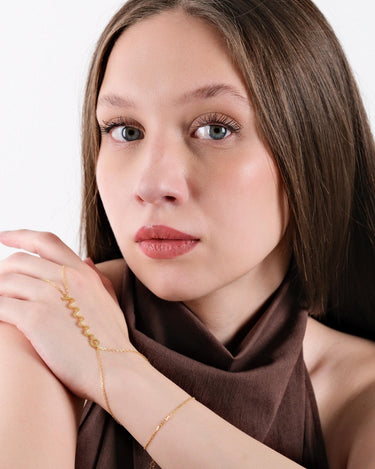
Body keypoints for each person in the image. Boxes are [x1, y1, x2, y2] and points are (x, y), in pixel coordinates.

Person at [0, 0, 374, 467]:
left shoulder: (361, 391)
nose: (152, 185)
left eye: (215, 129)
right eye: (125, 131)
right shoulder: (39, 328)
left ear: (314, 145)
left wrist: (117, 371)